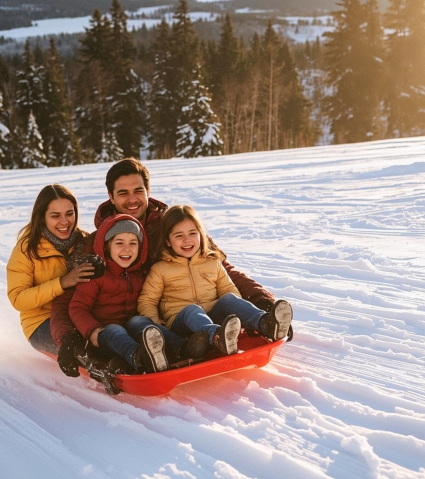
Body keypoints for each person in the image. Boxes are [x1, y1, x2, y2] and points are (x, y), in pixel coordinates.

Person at [51, 157, 276, 376]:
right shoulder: (95, 244)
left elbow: (220, 266)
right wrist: (68, 338)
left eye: (138, 191)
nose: (132, 199)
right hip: (133, 325)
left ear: (148, 191)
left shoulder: (173, 226)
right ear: (110, 196)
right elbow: (68, 299)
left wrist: (264, 303)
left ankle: (197, 342)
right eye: (123, 193)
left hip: (184, 317)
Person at [138, 205, 293, 356]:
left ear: (201, 235)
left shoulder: (212, 263)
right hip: (181, 322)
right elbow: (147, 301)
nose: (187, 240)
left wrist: (238, 315)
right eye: (179, 236)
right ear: (167, 241)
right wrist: (158, 327)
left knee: (229, 298)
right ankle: (218, 338)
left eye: (192, 233)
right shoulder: (160, 269)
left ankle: (266, 323)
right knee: (192, 310)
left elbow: (228, 289)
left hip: (213, 318)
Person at [68, 214, 209, 375]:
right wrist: (92, 330)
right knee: (115, 330)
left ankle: (182, 348)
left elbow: (151, 298)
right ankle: (140, 357)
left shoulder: (140, 273)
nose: (127, 249)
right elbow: (77, 307)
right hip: (105, 336)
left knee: (140, 321)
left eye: (133, 243)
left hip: (133, 331)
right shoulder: (96, 274)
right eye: (119, 243)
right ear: (107, 246)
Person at [6, 184, 95, 354]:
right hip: (41, 321)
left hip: (81, 313)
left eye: (70, 214)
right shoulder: (27, 249)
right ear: (42, 217)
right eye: (55, 216)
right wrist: (62, 283)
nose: (64, 222)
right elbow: (18, 299)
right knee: (82, 343)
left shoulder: (84, 242)